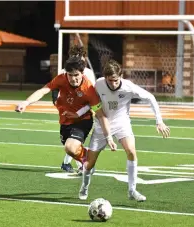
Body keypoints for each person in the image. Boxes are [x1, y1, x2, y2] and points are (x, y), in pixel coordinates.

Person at [66, 60, 170, 202]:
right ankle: (84, 186)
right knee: (89, 163)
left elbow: (150, 97)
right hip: (102, 125)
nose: (113, 84)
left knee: (131, 151)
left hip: (122, 124)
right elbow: (91, 102)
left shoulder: (128, 87)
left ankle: (132, 190)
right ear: (105, 78)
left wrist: (159, 121)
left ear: (120, 76)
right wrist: (78, 113)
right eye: (110, 81)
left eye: (116, 80)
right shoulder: (99, 84)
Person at [15, 56, 116, 170]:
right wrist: (26, 102)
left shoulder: (89, 90)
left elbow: (101, 115)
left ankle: (87, 162)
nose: (73, 79)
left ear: (82, 73)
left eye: (76, 75)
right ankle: (87, 159)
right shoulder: (61, 79)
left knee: (70, 148)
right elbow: (43, 90)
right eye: (70, 75)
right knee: (72, 150)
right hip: (65, 120)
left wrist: (109, 137)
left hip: (82, 121)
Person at [52, 44, 96, 173]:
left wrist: (84, 110)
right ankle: (69, 163)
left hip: (83, 113)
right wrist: (56, 102)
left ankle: (82, 164)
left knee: (75, 141)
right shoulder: (63, 71)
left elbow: (93, 94)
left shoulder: (88, 73)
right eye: (74, 56)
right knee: (67, 141)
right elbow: (55, 87)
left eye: (79, 57)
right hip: (67, 112)